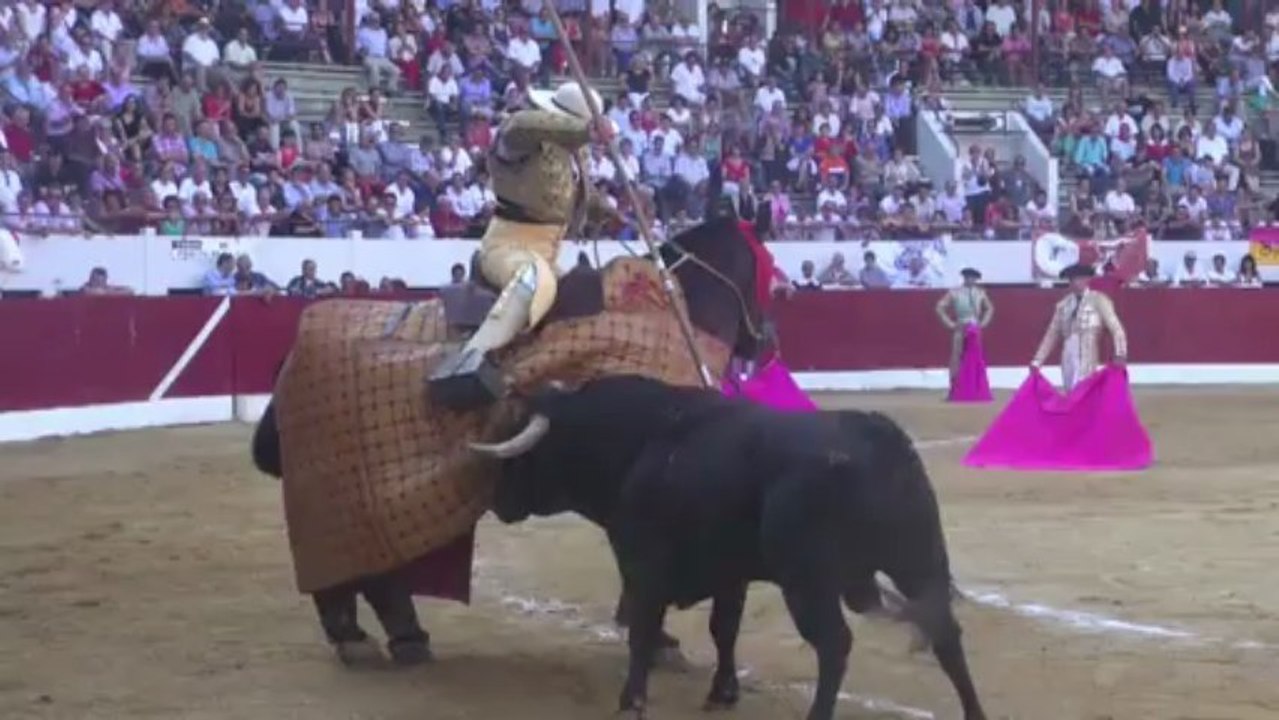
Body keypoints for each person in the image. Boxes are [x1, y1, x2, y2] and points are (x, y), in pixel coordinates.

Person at [428, 81, 616, 409]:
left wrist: (600, 210)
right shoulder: (519, 135)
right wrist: (588, 129)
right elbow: (524, 124)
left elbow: (573, 195)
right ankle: (471, 360)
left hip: (549, 251)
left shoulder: (575, 153)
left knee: (581, 291)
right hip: (507, 246)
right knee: (534, 280)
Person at [1031, 263, 1128, 390]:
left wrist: (1120, 353)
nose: (1076, 282)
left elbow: (1116, 329)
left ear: (1087, 279)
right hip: (1067, 356)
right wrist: (1037, 361)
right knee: (1071, 393)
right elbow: (1051, 335)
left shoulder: (1099, 300)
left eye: (1079, 278)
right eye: (1072, 279)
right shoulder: (1063, 305)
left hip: (1088, 354)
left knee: (1085, 393)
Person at [935, 267, 994, 382]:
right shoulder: (955, 292)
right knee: (956, 356)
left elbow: (989, 308)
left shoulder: (980, 293)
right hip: (961, 326)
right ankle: (955, 386)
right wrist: (950, 323)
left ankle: (974, 385)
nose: (971, 280)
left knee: (975, 356)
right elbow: (940, 307)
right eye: (968, 277)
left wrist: (983, 323)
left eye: (973, 278)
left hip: (975, 327)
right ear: (964, 278)